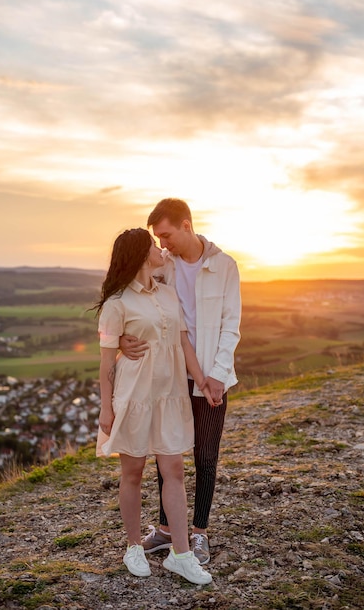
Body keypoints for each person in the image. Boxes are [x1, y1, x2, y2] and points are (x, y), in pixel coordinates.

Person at [120, 199, 241, 565]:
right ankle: (167, 532)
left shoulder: (224, 266)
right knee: (165, 455)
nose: (162, 243)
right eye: (158, 238)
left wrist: (218, 376)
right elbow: (127, 292)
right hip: (168, 376)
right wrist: (120, 339)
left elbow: (230, 326)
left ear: (186, 225)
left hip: (210, 380)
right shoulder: (164, 264)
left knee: (205, 457)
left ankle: (199, 534)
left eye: (166, 235)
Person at [93, 227, 213, 585]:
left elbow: (182, 343)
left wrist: (201, 380)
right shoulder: (118, 304)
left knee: (173, 471)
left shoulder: (167, 293)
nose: (161, 250)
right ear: (142, 255)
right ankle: (133, 546)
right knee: (132, 473)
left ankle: (181, 554)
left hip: (171, 395)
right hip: (134, 395)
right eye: (153, 246)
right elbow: (105, 363)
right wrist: (105, 407)